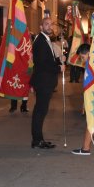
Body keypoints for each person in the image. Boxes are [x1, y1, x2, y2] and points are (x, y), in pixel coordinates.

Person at [30, 17, 64, 149]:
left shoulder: (45, 39)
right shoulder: (40, 41)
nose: (49, 27)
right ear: (41, 26)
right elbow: (43, 63)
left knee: (41, 110)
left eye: (51, 24)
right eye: (46, 24)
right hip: (43, 81)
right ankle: (37, 140)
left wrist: (58, 60)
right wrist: (58, 68)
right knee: (40, 111)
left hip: (45, 81)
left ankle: (38, 139)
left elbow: (48, 59)